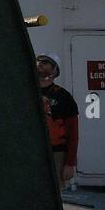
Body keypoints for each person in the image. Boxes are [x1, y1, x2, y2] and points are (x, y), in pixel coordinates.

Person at [36, 53, 78, 190]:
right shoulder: (26, 92)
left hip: (56, 153)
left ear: (54, 70)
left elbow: (73, 133)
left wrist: (70, 163)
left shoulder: (63, 96)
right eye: (38, 61)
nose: (40, 64)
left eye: (46, 62)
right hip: (30, 150)